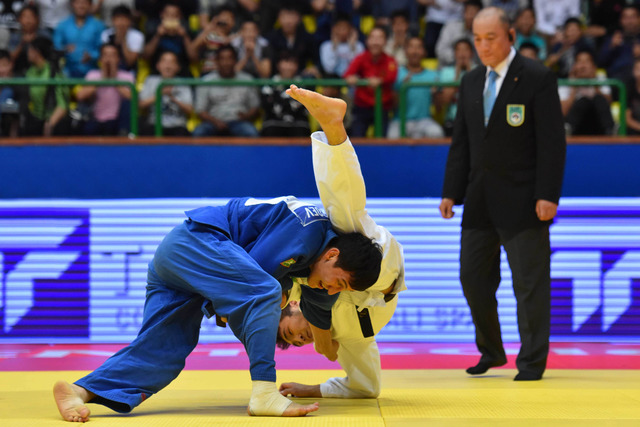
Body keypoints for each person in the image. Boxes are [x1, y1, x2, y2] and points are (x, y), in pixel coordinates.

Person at [52, 195, 383, 422]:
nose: (333, 289)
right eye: (338, 281)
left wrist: (333, 347)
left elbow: (319, 319)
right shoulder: (308, 227)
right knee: (267, 291)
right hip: (198, 243)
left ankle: (80, 391)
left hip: (179, 263)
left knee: (167, 350)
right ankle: (265, 392)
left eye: (343, 290)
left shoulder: (322, 271)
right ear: (331, 255)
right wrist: (233, 308)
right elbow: (255, 279)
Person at [439, 7, 566, 381]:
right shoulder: (470, 80)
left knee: (529, 285)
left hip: (525, 199)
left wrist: (548, 194)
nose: (482, 46)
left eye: (490, 37)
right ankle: (492, 351)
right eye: (477, 39)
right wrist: (451, 191)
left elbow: (552, 143)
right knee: (473, 280)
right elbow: (461, 142)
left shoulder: (537, 77)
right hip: (478, 199)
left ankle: (531, 361)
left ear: (510, 35)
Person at [276, 84, 406, 398]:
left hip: (375, 260)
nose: (301, 338)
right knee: (367, 386)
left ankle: (332, 125)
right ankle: (332, 124)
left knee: (345, 216)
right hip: (370, 310)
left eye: (293, 331)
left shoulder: (295, 280)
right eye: (298, 344)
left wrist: (321, 334)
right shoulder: (344, 339)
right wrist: (314, 389)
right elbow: (366, 388)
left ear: (292, 306)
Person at [192, 44, 259, 137]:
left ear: (235, 60)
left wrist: (246, 116)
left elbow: (255, 106)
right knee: (199, 133)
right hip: (212, 122)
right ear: (216, 61)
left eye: (230, 58)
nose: (226, 62)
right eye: (222, 59)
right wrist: (215, 121)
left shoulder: (247, 80)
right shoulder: (206, 81)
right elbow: (200, 110)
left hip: (239, 122)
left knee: (251, 133)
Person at [343, 25, 398, 137]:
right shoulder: (361, 57)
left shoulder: (390, 60)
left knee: (382, 142)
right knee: (356, 139)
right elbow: (348, 75)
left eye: (379, 38)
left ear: (385, 42)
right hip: (361, 107)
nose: (375, 42)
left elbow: (392, 77)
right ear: (367, 41)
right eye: (372, 38)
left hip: (382, 107)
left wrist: (380, 81)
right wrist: (353, 79)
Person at [387, 36, 444, 138]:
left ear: (424, 52)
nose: (415, 51)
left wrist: (435, 94)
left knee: (436, 133)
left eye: (419, 47)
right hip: (400, 120)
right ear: (405, 51)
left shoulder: (433, 76)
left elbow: (439, 108)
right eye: (411, 47)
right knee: (392, 137)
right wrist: (400, 89)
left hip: (424, 121)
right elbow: (392, 106)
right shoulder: (397, 73)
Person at [76, 43, 134, 136]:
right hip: (94, 119)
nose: (109, 59)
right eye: (105, 55)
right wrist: (102, 79)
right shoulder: (93, 74)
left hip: (117, 121)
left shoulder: (127, 76)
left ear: (118, 59)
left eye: (112, 55)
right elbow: (80, 96)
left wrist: (114, 80)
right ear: (100, 59)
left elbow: (133, 98)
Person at [20, 35, 71, 136]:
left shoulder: (53, 73)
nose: (27, 53)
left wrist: (49, 125)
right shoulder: (30, 72)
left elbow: (63, 106)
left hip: (53, 121)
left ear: (37, 52)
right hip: (35, 118)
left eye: (30, 50)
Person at [559, 48, 614, 136]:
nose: (583, 65)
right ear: (574, 66)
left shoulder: (601, 79)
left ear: (594, 66)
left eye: (587, 61)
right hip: (576, 128)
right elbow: (563, 112)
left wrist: (595, 84)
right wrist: (573, 89)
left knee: (598, 99)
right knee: (583, 101)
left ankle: (611, 131)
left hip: (598, 125)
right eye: (580, 62)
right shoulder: (566, 83)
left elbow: (608, 102)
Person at [139, 51, 193, 136]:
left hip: (177, 125)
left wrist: (173, 98)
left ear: (178, 67)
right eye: (164, 61)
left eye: (172, 62)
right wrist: (160, 93)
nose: (168, 66)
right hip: (154, 124)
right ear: (158, 66)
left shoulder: (183, 83)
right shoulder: (150, 80)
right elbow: (141, 105)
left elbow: (189, 110)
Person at [260, 52, 309, 137]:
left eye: (292, 63)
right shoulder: (269, 84)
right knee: (270, 129)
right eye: (285, 62)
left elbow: (305, 108)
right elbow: (267, 106)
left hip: (298, 124)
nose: (288, 66)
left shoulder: (303, 85)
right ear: (278, 65)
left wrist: (280, 100)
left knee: (301, 130)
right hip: (274, 124)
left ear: (297, 66)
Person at [142, 1, 197, 77]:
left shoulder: (187, 32)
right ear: (162, 15)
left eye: (175, 16)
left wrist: (185, 37)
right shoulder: (153, 31)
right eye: (168, 15)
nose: (171, 18)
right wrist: (157, 36)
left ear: (180, 17)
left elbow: (194, 58)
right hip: (157, 75)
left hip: (182, 76)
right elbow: (145, 56)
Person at [53, 0, 106, 78]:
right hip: (67, 73)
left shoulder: (98, 25)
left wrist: (92, 56)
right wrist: (65, 49)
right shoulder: (62, 25)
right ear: (72, 4)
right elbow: (56, 47)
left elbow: (103, 49)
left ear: (90, 5)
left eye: (84, 3)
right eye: (78, 3)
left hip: (92, 73)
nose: (81, 6)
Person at [597, 5, 640, 83]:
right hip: (618, 81)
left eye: (633, 17)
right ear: (621, 20)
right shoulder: (613, 38)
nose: (630, 21)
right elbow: (600, 62)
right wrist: (611, 47)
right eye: (626, 18)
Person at [190, 5, 236, 74]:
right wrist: (210, 28)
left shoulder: (235, 37)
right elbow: (191, 51)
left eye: (228, 18)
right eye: (223, 17)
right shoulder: (209, 35)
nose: (225, 20)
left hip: (227, 74)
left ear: (233, 22)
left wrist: (221, 35)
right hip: (208, 73)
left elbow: (228, 43)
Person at [436, 0, 482, 67]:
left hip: (474, 68)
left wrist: (470, 59)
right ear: (463, 13)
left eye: (474, 13)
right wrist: (459, 57)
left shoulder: (483, 33)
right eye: (469, 12)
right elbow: (440, 50)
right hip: (449, 68)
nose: (471, 17)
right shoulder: (450, 27)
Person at [100, 5, 144, 72]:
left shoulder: (137, 36)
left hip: (129, 71)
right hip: (109, 71)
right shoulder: (106, 34)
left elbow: (130, 62)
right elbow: (104, 59)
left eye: (124, 19)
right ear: (113, 20)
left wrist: (123, 39)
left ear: (130, 21)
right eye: (118, 19)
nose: (121, 23)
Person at [8, 4, 49, 76]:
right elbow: (9, 59)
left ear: (37, 19)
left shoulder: (44, 36)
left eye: (31, 17)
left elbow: (49, 60)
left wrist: (35, 43)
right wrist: (22, 43)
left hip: (41, 74)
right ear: (19, 19)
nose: (28, 21)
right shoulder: (14, 37)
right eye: (25, 17)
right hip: (18, 74)